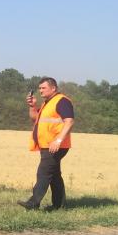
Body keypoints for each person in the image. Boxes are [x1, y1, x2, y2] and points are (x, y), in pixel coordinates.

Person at [18, 77, 74, 210]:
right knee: (54, 175)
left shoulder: (62, 101)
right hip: (47, 145)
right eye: (39, 88)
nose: (40, 91)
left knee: (43, 173)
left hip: (55, 146)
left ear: (53, 88)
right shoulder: (47, 103)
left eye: (43, 88)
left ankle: (33, 203)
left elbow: (70, 121)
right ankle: (59, 205)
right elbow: (34, 119)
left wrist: (58, 140)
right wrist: (32, 106)